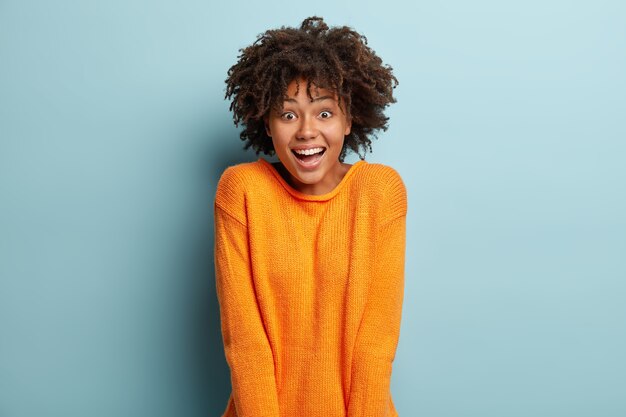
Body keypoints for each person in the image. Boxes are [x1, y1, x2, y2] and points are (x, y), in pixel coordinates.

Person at [214, 16, 407, 417]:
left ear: (349, 119)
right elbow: (246, 345)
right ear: (266, 123)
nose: (305, 131)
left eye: (324, 113)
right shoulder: (241, 191)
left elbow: (376, 344)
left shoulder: (380, 193)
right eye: (288, 115)